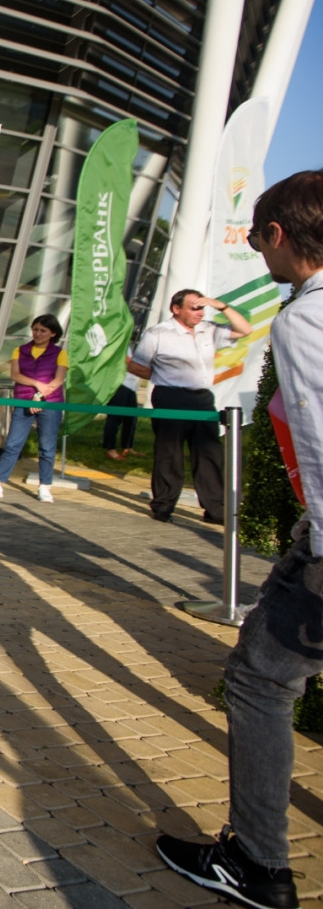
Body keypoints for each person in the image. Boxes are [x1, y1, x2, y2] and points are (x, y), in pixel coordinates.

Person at [156, 170, 323, 909]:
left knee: (259, 681)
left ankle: (258, 865)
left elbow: (319, 437)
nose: (258, 256)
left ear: (280, 235)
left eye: (258, 241)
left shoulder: (306, 318)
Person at [130, 288, 253, 523]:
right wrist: (164, 376)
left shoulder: (209, 329)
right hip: (170, 396)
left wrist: (222, 307)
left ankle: (215, 509)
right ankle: (163, 506)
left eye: (202, 307)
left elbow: (245, 329)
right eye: (194, 307)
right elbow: (136, 365)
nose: (200, 312)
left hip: (202, 398)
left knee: (209, 452)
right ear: (176, 309)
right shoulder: (158, 333)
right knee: (170, 452)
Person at [0, 314, 68, 503]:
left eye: (43, 330)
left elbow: (59, 379)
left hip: (50, 403)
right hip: (23, 402)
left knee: (47, 447)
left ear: (53, 333)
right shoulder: (20, 350)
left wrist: (40, 396)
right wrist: (36, 385)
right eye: (35, 329)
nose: (38, 333)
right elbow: (16, 375)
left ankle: (45, 486)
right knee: (13, 444)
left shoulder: (59, 353)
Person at [104, 346, 142, 460]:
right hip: (118, 384)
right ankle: (110, 449)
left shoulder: (129, 345)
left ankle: (127, 446)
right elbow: (126, 360)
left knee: (131, 418)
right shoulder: (118, 341)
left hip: (131, 385)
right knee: (114, 417)